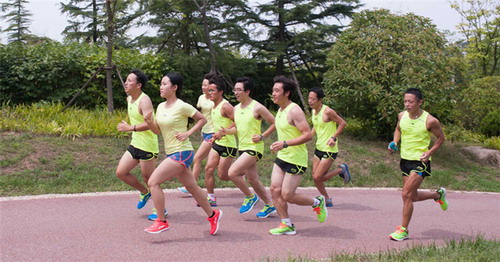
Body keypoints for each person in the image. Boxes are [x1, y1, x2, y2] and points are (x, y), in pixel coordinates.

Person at [143, 73, 222, 235]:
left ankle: (161, 221)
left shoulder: (181, 105)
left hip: (182, 151)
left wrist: (188, 133)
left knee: (153, 182)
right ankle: (213, 215)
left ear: (174, 88)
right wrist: (150, 121)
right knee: (192, 187)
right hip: (172, 151)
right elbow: (157, 131)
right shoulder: (160, 107)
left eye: (165, 84)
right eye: (161, 84)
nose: (161, 87)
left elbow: (202, 119)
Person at [268, 75, 327, 236]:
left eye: (277, 91)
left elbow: (307, 135)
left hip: (296, 159)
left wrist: (285, 143)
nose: (273, 93)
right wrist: (278, 144)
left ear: (286, 93)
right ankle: (286, 224)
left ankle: (317, 202)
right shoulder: (280, 110)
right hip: (282, 157)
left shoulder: (294, 110)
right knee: (274, 189)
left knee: (288, 195)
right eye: (273, 90)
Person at [387, 88, 448, 241]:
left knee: (405, 194)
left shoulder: (430, 120)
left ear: (420, 102)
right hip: (405, 160)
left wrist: (429, 152)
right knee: (412, 197)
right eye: (405, 101)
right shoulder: (402, 116)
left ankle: (403, 230)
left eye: (411, 102)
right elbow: (398, 129)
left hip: (421, 162)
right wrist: (395, 142)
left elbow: (441, 138)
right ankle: (437, 194)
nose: (407, 104)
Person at [225, 77, 277, 218]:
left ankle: (250, 197)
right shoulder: (235, 109)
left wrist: (262, 136)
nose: (236, 92)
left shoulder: (257, 107)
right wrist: (225, 132)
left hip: (254, 148)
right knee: (252, 180)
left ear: (247, 91)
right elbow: (237, 129)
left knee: (232, 173)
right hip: (242, 147)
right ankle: (270, 205)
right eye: (234, 89)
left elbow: (274, 122)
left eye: (239, 90)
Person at [116, 69, 161, 219]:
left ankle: (160, 210)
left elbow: (150, 124)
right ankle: (144, 192)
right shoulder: (129, 99)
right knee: (121, 173)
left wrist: (130, 128)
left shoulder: (144, 100)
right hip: (135, 143)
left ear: (139, 85)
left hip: (148, 145)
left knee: (150, 179)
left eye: (130, 80)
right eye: (126, 80)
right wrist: (130, 127)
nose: (126, 83)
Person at [308, 87, 351, 207]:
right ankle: (327, 199)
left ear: (320, 100)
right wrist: (308, 136)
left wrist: (334, 137)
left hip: (329, 149)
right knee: (315, 177)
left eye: (313, 99)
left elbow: (343, 123)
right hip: (319, 148)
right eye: (309, 98)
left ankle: (341, 170)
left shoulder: (328, 111)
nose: (310, 101)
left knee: (317, 177)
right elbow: (316, 126)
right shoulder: (313, 111)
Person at [177, 73, 216, 196]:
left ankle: (190, 186)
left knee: (197, 158)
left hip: (213, 132)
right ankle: (240, 174)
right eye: (202, 85)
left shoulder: (215, 99)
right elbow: (199, 114)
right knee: (215, 165)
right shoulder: (201, 98)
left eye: (206, 85)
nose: (203, 87)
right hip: (204, 132)